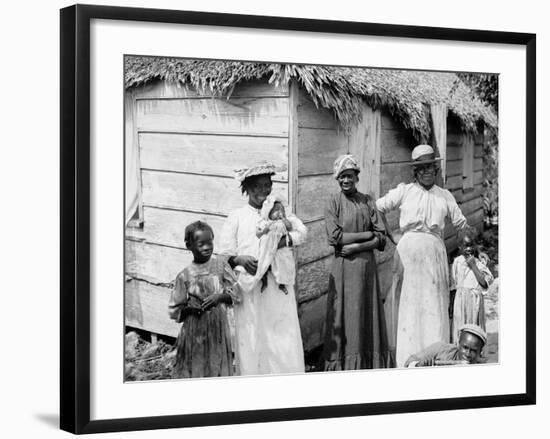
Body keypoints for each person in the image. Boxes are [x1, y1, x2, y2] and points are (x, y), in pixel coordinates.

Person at [376, 144, 467, 367]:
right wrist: (391, 236)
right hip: (407, 256)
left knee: (434, 305)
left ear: (436, 170)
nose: (426, 172)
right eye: (421, 168)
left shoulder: (444, 196)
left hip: (434, 257)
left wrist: (467, 249)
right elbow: (377, 208)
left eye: (430, 167)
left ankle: (434, 358)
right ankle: (408, 359)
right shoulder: (405, 191)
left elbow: (461, 224)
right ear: (415, 171)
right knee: (409, 305)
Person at [218, 162, 307, 375]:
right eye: (257, 186)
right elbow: (223, 255)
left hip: (277, 286)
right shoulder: (237, 216)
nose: (263, 191)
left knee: (281, 334)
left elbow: (302, 234)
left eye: (267, 185)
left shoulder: (279, 211)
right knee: (252, 335)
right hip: (250, 288)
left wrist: (285, 241)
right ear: (246, 189)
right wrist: (240, 259)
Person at [323, 154, 393, 370]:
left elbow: (381, 237)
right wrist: (366, 235)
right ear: (337, 179)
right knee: (345, 313)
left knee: (366, 311)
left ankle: (367, 363)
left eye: (350, 176)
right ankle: (344, 364)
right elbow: (334, 237)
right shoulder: (332, 203)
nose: (346, 180)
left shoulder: (368, 201)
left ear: (357, 177)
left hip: (366, 269)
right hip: (343, 270)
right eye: (342, 177)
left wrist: (357, 246)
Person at [168, 221, 240, 378]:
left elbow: (238, 294)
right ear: (189, 246)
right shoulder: (185, 275)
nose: (207, 247)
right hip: (195, 331)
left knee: (217, 365)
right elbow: (175, 310)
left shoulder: (221, 267)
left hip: (218, 329)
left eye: (210, 242)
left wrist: (220, 297)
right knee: (197, 366)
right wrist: (190, 309)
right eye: (201, 244)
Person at [450, 227, 494, 343]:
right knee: (460, 327)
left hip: (474, 303)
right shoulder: (457, 262)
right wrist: (451, 303)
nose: (469, 249)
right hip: (460, 302)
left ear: (475, 246)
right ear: (460, 247)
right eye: (466, 245)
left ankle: (475, 351)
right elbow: (454, 285)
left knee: (474, 327)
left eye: (471, 245)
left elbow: (485, 283)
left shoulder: (479, 263)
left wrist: (474, 266)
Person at [251, 195, 297, 294]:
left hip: (280, 250)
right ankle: (264, 280)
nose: (280, 212)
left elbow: (290, 228)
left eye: (282, 210)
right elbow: (257, 234)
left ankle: (282, 284)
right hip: (268, 248)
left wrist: (284, 219)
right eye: (276, 210)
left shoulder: (283, 223)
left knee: (284, 265)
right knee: (264, 263)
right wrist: (264, 231)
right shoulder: (266, 223)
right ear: (269, 213)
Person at [404, 324, 487, 367]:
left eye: (473, 351)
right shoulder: (440, 349)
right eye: (465, 348)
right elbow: (408, 363)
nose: (467, 354)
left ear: (480, 353)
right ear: (458, 344)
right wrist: (418, 365)